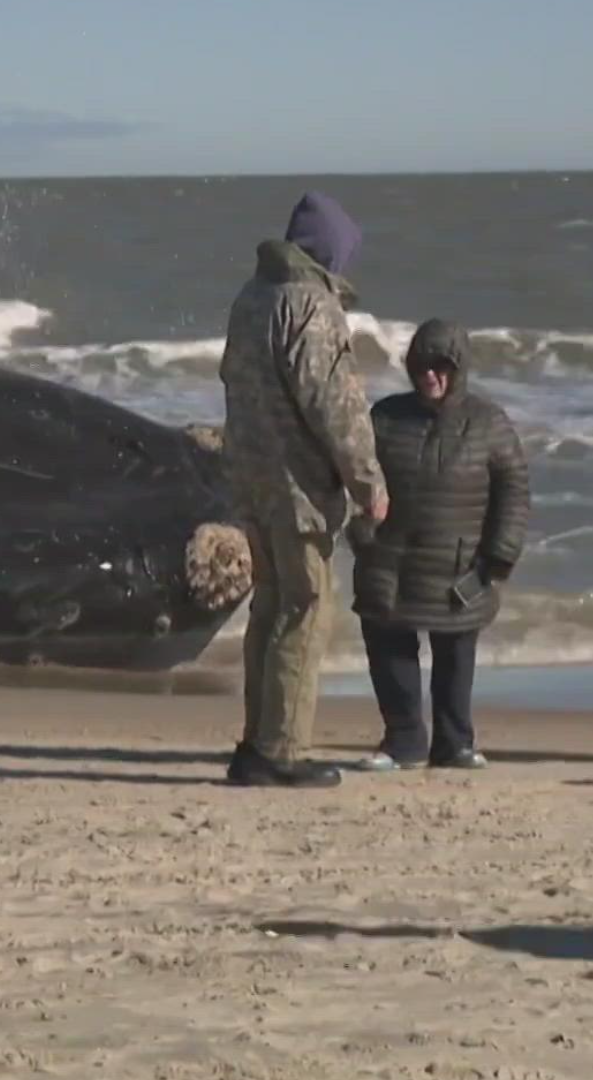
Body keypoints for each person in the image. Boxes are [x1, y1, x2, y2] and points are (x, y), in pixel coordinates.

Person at [219, 192, 388, 788]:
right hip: (297, 490)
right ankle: (281, 750)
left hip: (251, 481)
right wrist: (368, 480)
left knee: (269, 609)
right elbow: (333, 406)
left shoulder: (251, 299)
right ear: (329, 253)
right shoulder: (311, 307)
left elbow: (234, 388)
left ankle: (254, 743)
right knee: (306, 609)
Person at [347, 318, 530, 771]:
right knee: (390, 650)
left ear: (459, 369)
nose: (430, 375)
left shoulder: (489, 423)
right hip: (389, 562)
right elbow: (353, 477)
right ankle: (403, 741)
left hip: (460, 565)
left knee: (455, 655)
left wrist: (497, 558)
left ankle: (455, 744)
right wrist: (362, 532)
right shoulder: (386, 418)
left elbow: (514, 492)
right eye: (422, 366)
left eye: (441, 367)